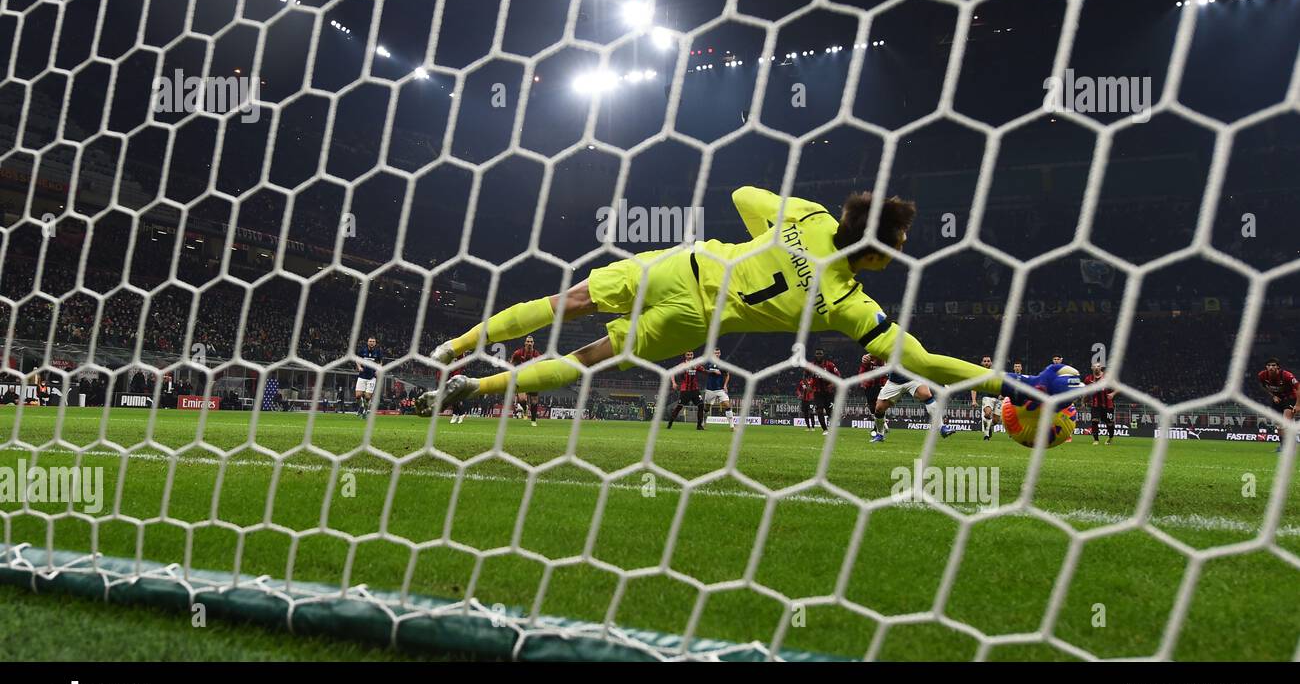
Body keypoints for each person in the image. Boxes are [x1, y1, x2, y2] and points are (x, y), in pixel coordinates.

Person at [418, 186, 1081, 416]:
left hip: (684, 263)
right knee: (590, 359)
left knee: (567, 301)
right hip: (693, 318)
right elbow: (926, 361)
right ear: (877, 251)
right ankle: (479, 390)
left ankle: (456, 347)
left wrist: (773, 231)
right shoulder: (847, 303)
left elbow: (739, 194)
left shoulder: (807, 216)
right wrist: (1010, 381)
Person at [354, 336, 383, 419]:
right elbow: (357, 359)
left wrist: (378, 370)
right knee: (358, 396)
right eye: (370, 341)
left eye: (373, 341)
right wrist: (359, 367)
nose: (371, 342)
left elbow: (380, 362)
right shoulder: (362, 350)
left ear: (375, 343)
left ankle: (365, 411)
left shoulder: (378, 351)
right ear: (367, 342)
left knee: (367, 397)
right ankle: (361, 407)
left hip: (372, 377)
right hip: (362, 376)